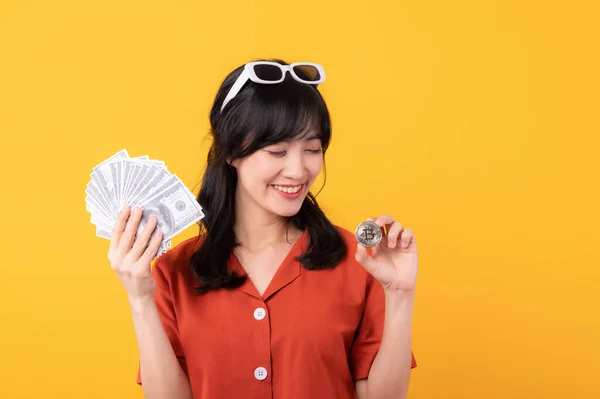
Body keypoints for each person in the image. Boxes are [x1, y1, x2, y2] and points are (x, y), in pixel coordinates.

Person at [107, 59, 419, 399]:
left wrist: (400, 296)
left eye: (312, 150)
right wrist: (140, 300)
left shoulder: (357, 261)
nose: (298, 170)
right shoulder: (176, 272)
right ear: (230, 151)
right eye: (277, 151)